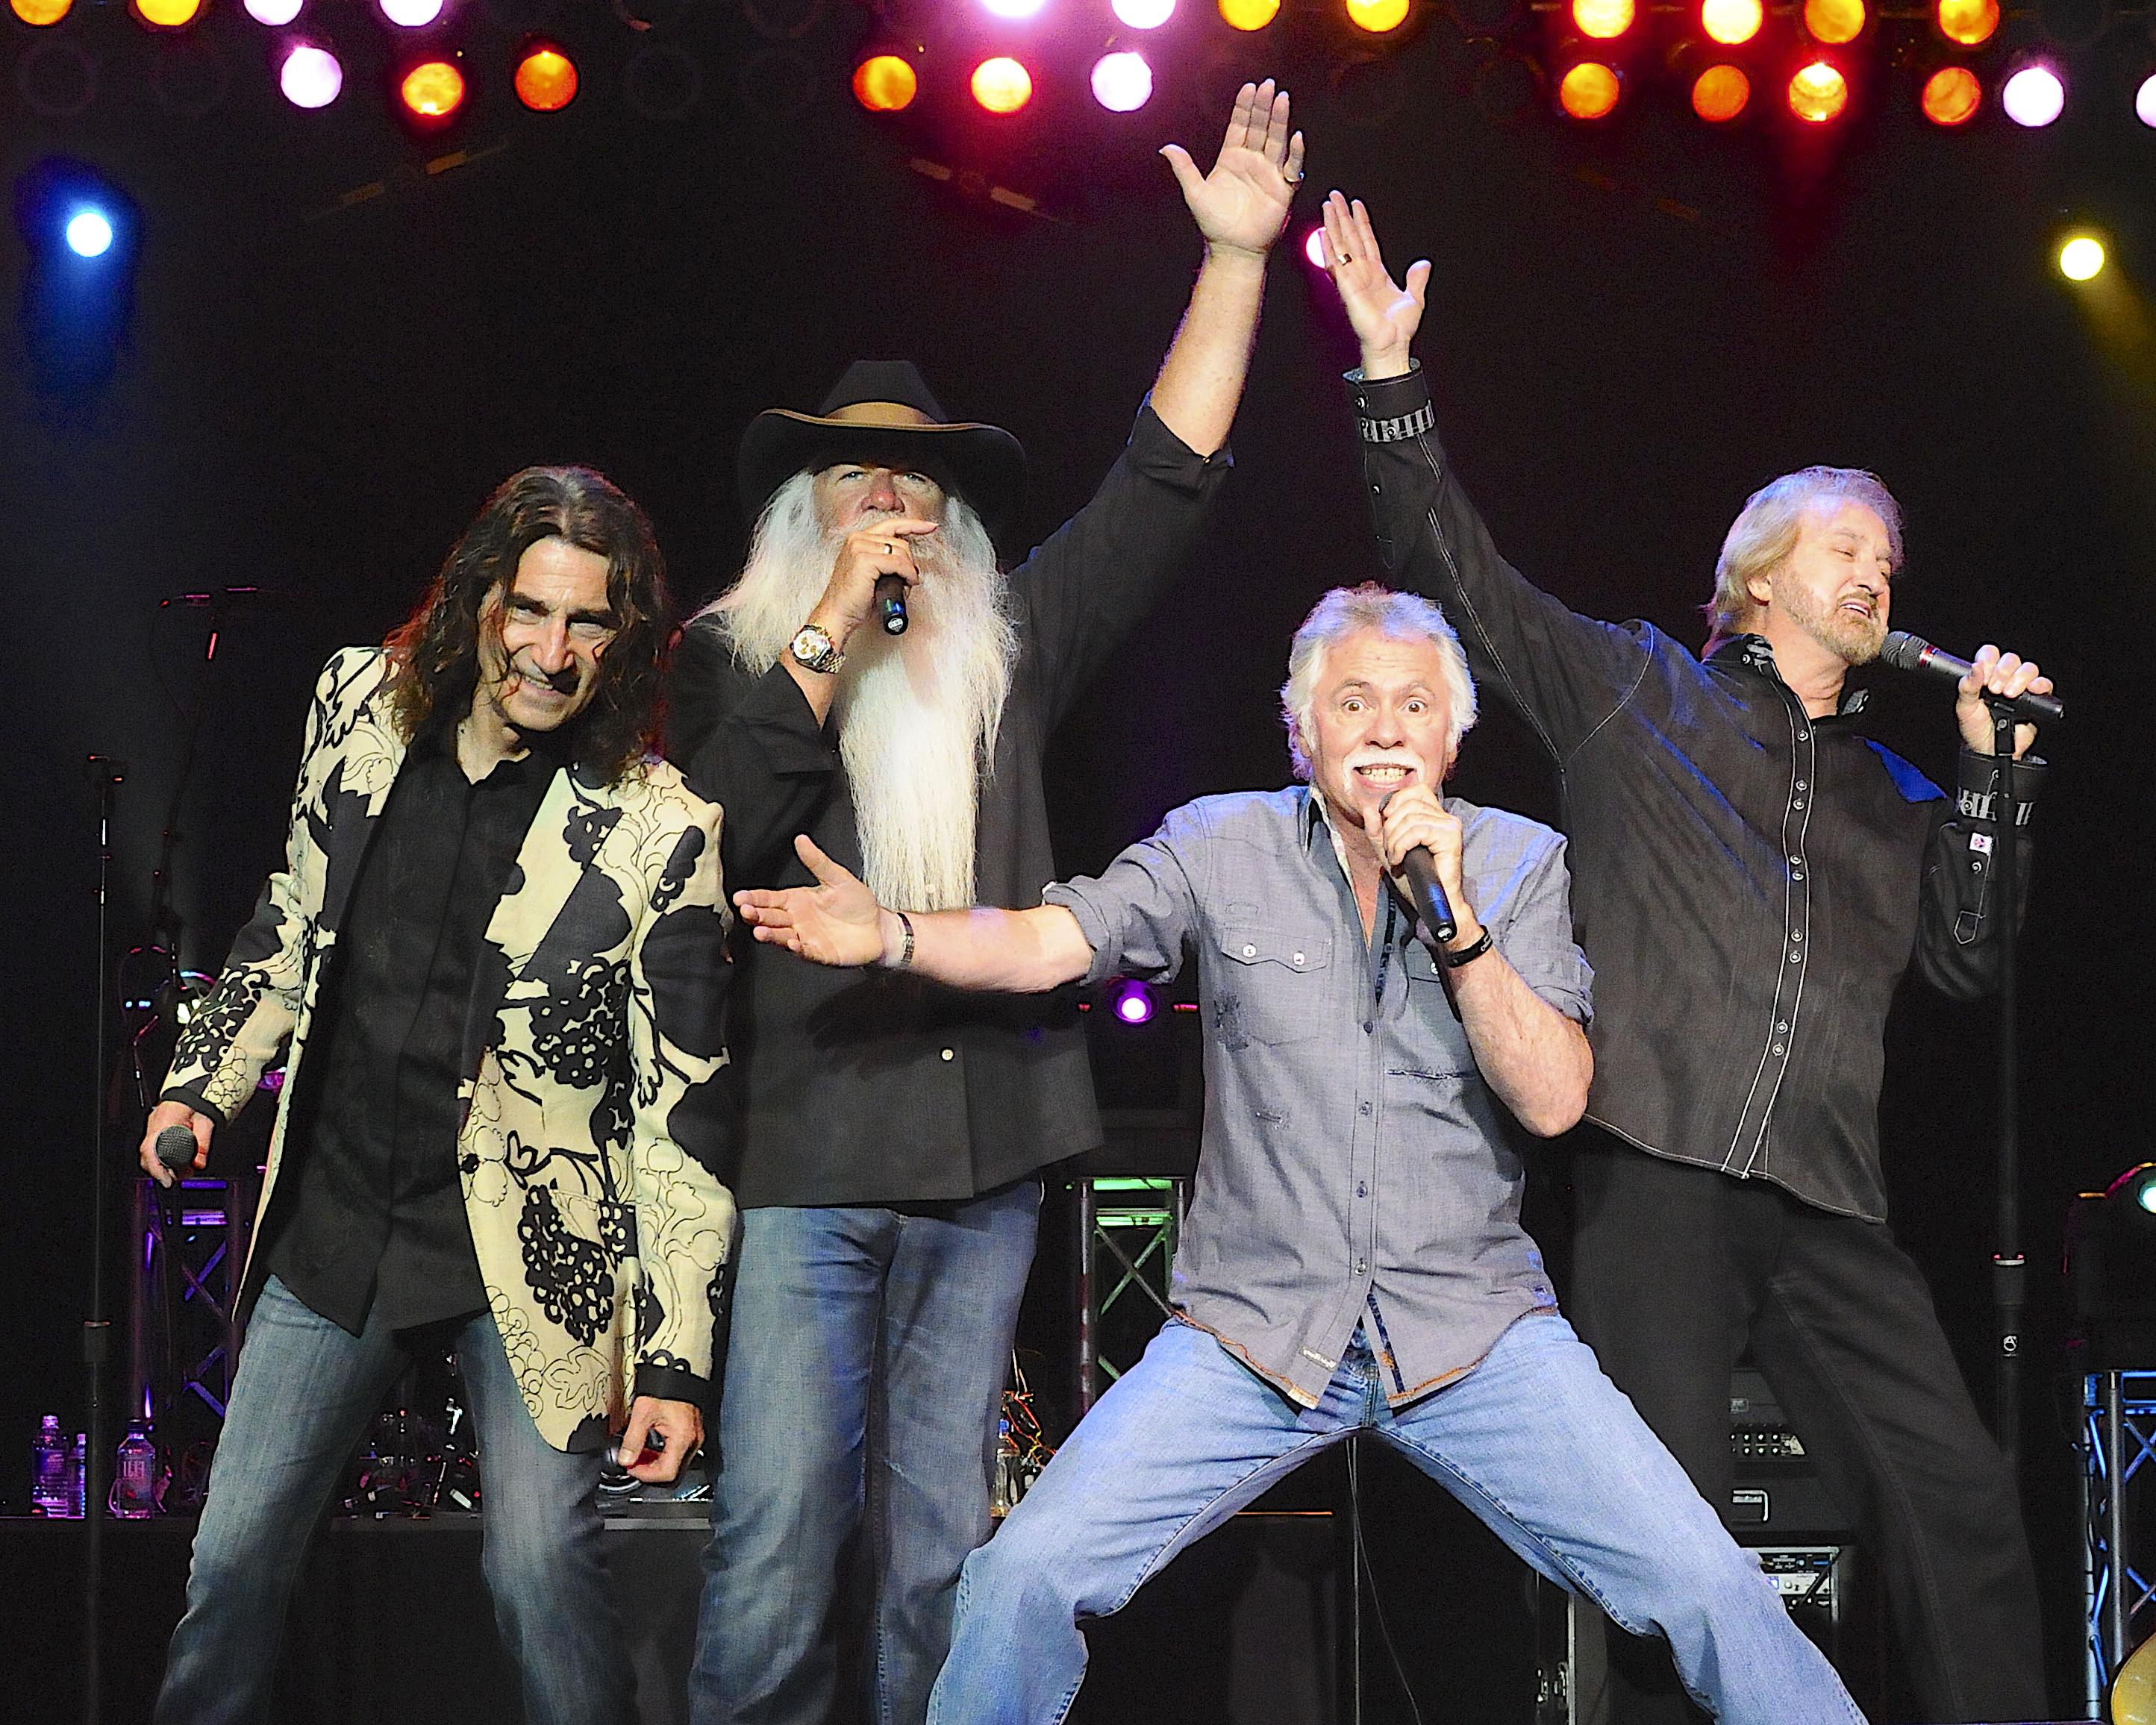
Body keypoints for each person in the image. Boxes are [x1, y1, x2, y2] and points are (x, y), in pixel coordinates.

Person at [731, 583, 1868, 1725]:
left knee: (1710, 1585)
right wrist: (892, 935)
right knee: (1021, 1576)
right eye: (1354, 701)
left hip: (1473, 1333)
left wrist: (1457, 921)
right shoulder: (1218, 844)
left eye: (1414, 704)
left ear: (1450, 735)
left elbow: (1555, 1098)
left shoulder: (1518, 863)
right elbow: (1048, 942)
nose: (1383, 727)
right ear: (1302, 728)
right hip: (1252, 1335)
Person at [1316, 190, 2050, 1721]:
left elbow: (1968, 966)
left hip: (1828, 1196)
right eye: (1844, 546)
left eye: (1890, 562)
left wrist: (1987, 778)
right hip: (1655, 1165)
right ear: (1758, 573)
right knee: (1661, 1534)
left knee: (1959, 1502)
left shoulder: (1897, 792)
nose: (1875, 576)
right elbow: (1463, 579)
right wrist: (1388, 380)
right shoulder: (1634, 693)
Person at [666, 81, 1305, 1725]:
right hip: (809, 1158)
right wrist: (829, 637)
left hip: (984, 1166)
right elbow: (724, 830)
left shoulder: (1007, 652)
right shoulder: (738, 666)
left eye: (917, 493)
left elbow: (1164, 479)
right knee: (774, 1539)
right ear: (804, 523)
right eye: (858, 489)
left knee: (944, 1549)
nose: (894, 510)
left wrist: (1233, 261)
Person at [140, 466, 735, 1725]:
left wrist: (674, 1363)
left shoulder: (659, 826)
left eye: (586, 623)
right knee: (233, 1561)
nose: (549, 649)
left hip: (527, 1256)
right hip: (342, 1216)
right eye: (529, 610)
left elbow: (682, 1115)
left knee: (539, 1573)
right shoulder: (357, 703)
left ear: (621, 638)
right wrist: (203, 1088)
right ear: (477, 599)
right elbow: (290, 920)